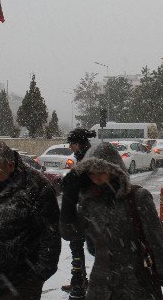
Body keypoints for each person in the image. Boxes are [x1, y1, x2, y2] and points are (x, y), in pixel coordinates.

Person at [61, 143, 163, 300]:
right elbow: (69, 233)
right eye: (91, 174)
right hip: (99, 288)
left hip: (137, 286)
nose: (96, 178)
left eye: (101, 172)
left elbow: (158, 245)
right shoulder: (90, 202)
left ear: (114, 171)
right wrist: (69, 197)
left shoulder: (137, 197)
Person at [0, 141, 61, 300]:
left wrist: (38, 276)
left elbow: (50, 236)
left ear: (11, 165)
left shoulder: (36, 186)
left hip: (22, 281)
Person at [60, 128, 96, 299]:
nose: (70, 147)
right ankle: (78, 280)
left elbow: (77, 183)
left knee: (78, 248)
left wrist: (68, 182)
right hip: (83, 211)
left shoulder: (86, 159)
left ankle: (79, 284)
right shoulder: (86, 156)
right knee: (77, 248)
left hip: (85, 213)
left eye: (72, 144)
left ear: (78, 144)